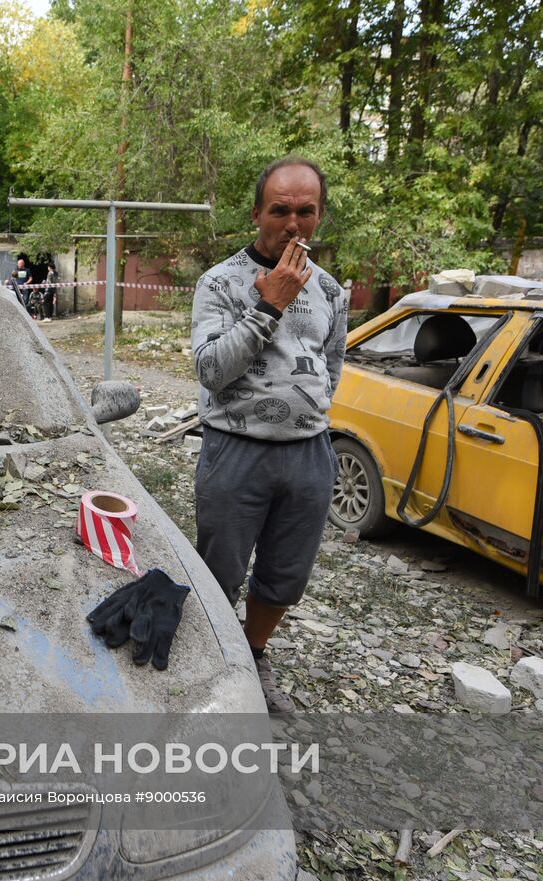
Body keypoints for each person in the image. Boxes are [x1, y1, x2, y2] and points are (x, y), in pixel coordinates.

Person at [189, 156, 348, 713]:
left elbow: (332, 366)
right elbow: (210, 370)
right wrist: (269, 304)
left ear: (319, 216)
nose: (293, 224)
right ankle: (211, 665)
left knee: (286, 574)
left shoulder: (331, 290)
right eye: (280, 210)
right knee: (219, 570)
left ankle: (253, 656)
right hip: (236, 451)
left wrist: (306, 418)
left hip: (309, 455)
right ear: (256, 213)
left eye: (306, 211)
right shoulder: (221, 281)